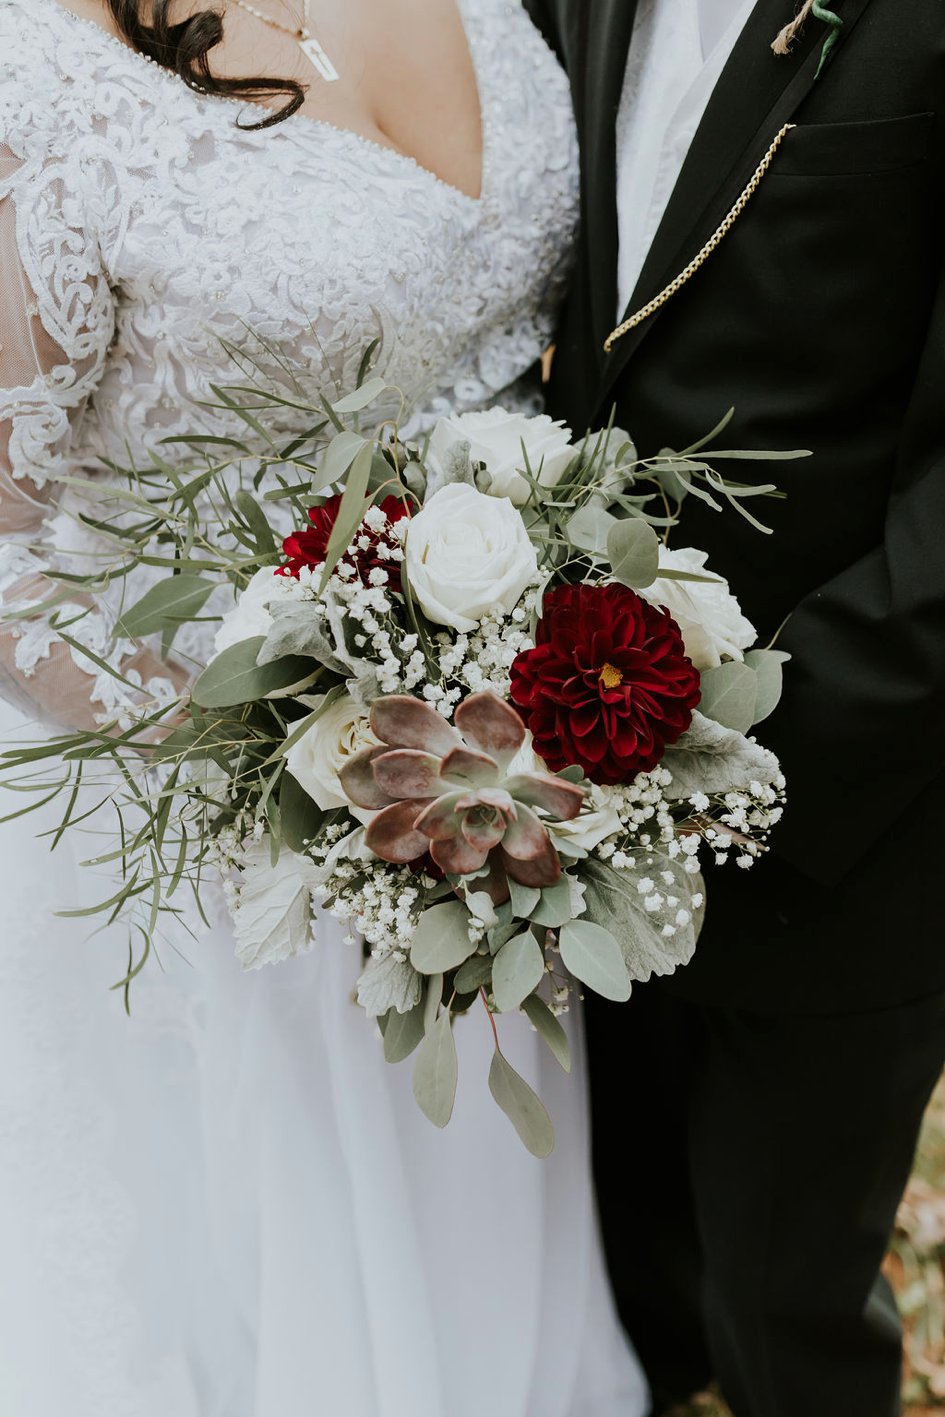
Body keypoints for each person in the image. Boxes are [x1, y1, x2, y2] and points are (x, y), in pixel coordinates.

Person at [0, 3, 649, 1413]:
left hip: (494, 791)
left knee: (467, 1256)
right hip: (198, 840)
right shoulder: (41, 67)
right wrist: (266, 771)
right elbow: (5, 547)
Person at [524, 0, 945, 1413]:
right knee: (619, 1287)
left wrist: (739, 759)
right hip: (565, 784)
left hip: (843, 813)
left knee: (784, 1318)